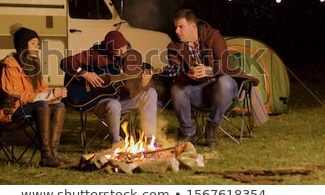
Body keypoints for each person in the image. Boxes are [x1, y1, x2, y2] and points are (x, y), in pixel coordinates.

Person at [167, 9, 259, 147]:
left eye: (181, 27)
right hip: (197, 90)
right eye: (175, 27)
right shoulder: (173, 46)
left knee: (224, 82)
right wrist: (188, 73)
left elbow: (225, 63)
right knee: (176, 88)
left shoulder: (213, 36)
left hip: (221, 88)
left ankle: (212, 125)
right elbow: (175, 71)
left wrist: (209, 70)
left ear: (193, 26)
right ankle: (188, 133)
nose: (177, 31)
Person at [0, 23, 74, 168]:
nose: (37, 47)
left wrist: (56, 94)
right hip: (8, 111)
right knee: (42, 104)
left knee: (59, 105)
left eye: (38, 44)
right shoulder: (8, 67)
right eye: (33, 43)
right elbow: (14, 94)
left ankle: (53, 154)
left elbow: (42, 90)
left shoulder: (32, 67)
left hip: (26, 108)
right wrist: (47, 95)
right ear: (23, 46)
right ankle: (46, 155)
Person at [60, 30, 158, 147]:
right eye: (118, 49)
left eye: (124, 46)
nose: (123, 51)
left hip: (123, 100)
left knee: (151, 93)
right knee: (113, 104)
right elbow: (65, 62)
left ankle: (149, 139)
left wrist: (144, 83)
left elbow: (134, 89)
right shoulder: (95, 54)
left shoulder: (132, 57)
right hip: (100, 102)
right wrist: (85, 74)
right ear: (110, 50)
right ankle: (117, 144)